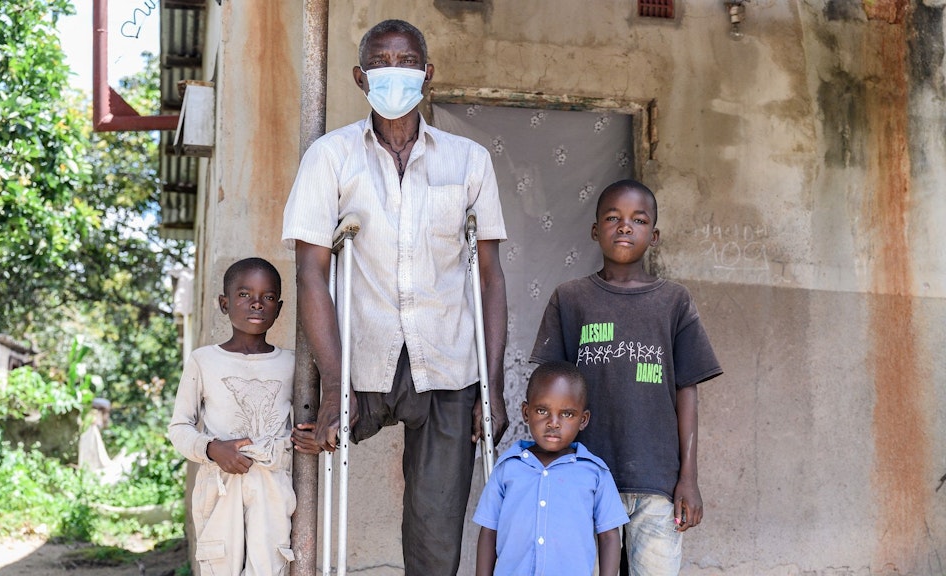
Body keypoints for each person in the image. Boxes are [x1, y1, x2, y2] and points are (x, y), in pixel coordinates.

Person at [281, 19, 509, 576]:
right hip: (361, 358)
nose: (394, 73)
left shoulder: (469, 160)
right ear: (361, 77)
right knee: (303, 440)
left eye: (406, 61)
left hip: (449, 365)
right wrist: (334, 385)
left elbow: (490, 278)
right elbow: (311, 272)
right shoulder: (330, 158)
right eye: (380, 63)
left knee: (436, 533)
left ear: (427, 75)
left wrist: (493, 388)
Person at [529, 179, 723, 575]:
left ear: (654, 236)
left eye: (638, 219)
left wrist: (689, 478)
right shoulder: (570, 298)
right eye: (613, 218)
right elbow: (547, 390)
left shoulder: (674, 301)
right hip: (582, 476)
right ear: (595, 230)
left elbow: (686, 391)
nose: (624, 226)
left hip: (657, 482)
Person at [168, 257, 320, 576]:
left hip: (272, 487)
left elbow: (310, 421)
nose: (256, 304)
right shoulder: (203, 361)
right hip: (218, 485)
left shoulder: (294, 364)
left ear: (278, 308)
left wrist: (313, 436)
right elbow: (179, 428)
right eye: (244, 295)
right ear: (225, 304)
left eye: (267, 297)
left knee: (269, 566)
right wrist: (212, 448)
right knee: (219, 565)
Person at [473, 361, 628, 576]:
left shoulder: (595, 473)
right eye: (542, 410)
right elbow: (489, 531)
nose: (553, 423)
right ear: (526, 413)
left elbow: (610, 536)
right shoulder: (508, 468)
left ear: (583, 420)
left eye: (567, 414)